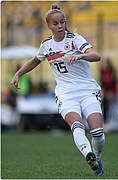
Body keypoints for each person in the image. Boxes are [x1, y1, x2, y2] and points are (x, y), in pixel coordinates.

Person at [10, 4, 105, 176]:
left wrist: (82, 55)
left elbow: (96, 56)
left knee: (97, 133)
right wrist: (18, 73)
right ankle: (88, 155)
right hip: (66, 93)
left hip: (87, 90)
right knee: (76, 125)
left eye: (62, 22)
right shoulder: (46, 45)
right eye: (56, 23)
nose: (60, 25)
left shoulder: (75, 39)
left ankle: (97, 158)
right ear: (49, 26)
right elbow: (34, 61)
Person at [100, 58, 118, 123]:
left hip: (111, 93)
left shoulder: (113, 72)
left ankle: (111, 122)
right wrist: (104, 92)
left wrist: (113, 93)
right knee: (105, 107)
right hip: (105, 93)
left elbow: (115, 84)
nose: (107, 65)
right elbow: (102, 83)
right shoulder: (103, 71)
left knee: (112, 108)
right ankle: (105, 122)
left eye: (108, 63)